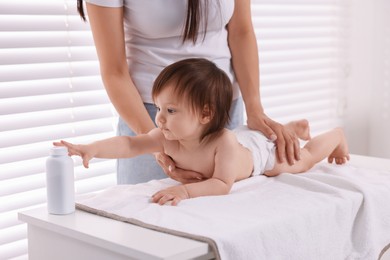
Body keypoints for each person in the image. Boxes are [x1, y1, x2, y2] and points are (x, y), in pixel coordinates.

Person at [54, 58, 350, 206]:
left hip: (258, 155)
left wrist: (183, 190)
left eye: (171, 111)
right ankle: (292, 127)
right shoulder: (166, 136)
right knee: (250, 135)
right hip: (243, 139)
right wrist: (91, 148)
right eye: (158, 108)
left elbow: (222, 183)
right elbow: (130, 145)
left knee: (303, 160)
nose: (159, 119)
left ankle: (334, 135)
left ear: (205, 114)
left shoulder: (222, 142)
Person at [76, 0, 301, 184]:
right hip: (150, 115)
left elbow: (241, 32)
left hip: (221, 110)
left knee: (224, 218)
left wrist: (255, 108)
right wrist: (156, 144)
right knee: (148, 225)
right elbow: (114, 72)